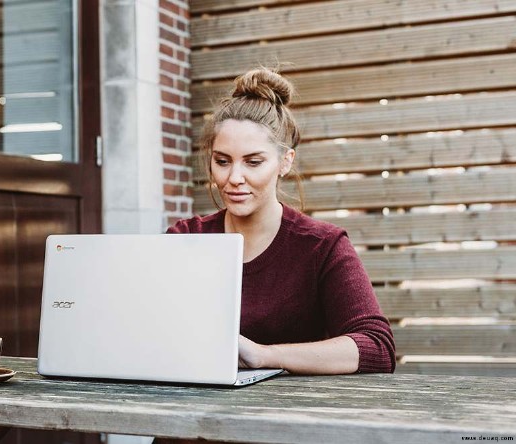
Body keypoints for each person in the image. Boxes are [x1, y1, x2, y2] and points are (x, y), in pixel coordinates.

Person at [167, 68, 396, 376]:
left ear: (285, 162)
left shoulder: (322, 246)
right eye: (222, 161)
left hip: (289, 417)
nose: (234, 178)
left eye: (253, 162)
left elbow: (377, 348)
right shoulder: (185, 238)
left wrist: (264, 356)